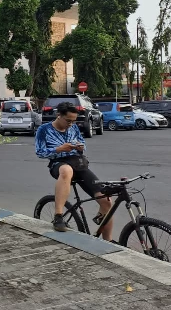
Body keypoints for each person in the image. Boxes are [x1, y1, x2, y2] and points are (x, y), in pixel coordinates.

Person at [35, 101, 113, 241]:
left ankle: (108, 240)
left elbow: (83, 143)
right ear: (59, 115)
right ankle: (58, 216)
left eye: (73, 121)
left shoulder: (74, 128)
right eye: (68, 120)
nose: (71, 124)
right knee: (66, 171)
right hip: (58, 164)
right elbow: (40, 152)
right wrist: (59, 149)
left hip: (79, 163)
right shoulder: (44, 129)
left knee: (107, 201)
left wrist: (80, 147)